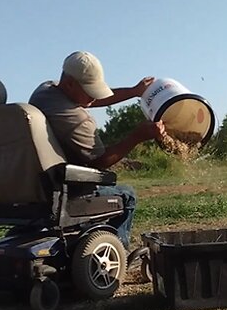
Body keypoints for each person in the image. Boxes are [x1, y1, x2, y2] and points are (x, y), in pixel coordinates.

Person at [29, 51, 166, 254]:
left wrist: (134, 91)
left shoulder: (45, 91)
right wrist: (137, 136)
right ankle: (116, 254)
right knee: (126, 195)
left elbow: (90, 100)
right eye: (89, 90)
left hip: (36, 188)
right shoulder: (78, 121)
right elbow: (100, 162)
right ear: (69, 84)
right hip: (65, 192)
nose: (94, 97)